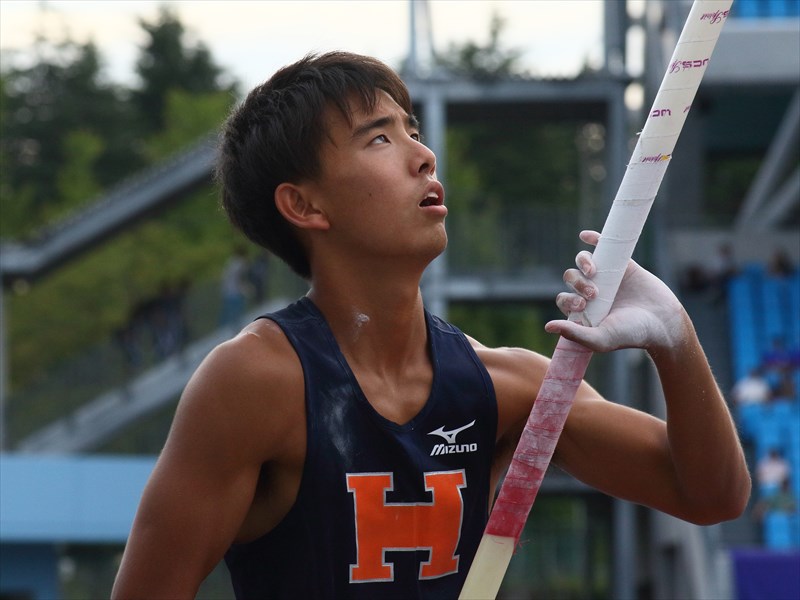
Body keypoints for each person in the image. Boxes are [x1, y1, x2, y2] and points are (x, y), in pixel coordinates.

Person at [111, 51, 750, 599]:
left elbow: (711, 496)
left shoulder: (504, 385)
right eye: (380, 138)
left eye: (413, 129)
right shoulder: (254, 382)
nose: (423, 155)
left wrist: (675, 337)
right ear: (303, 205)